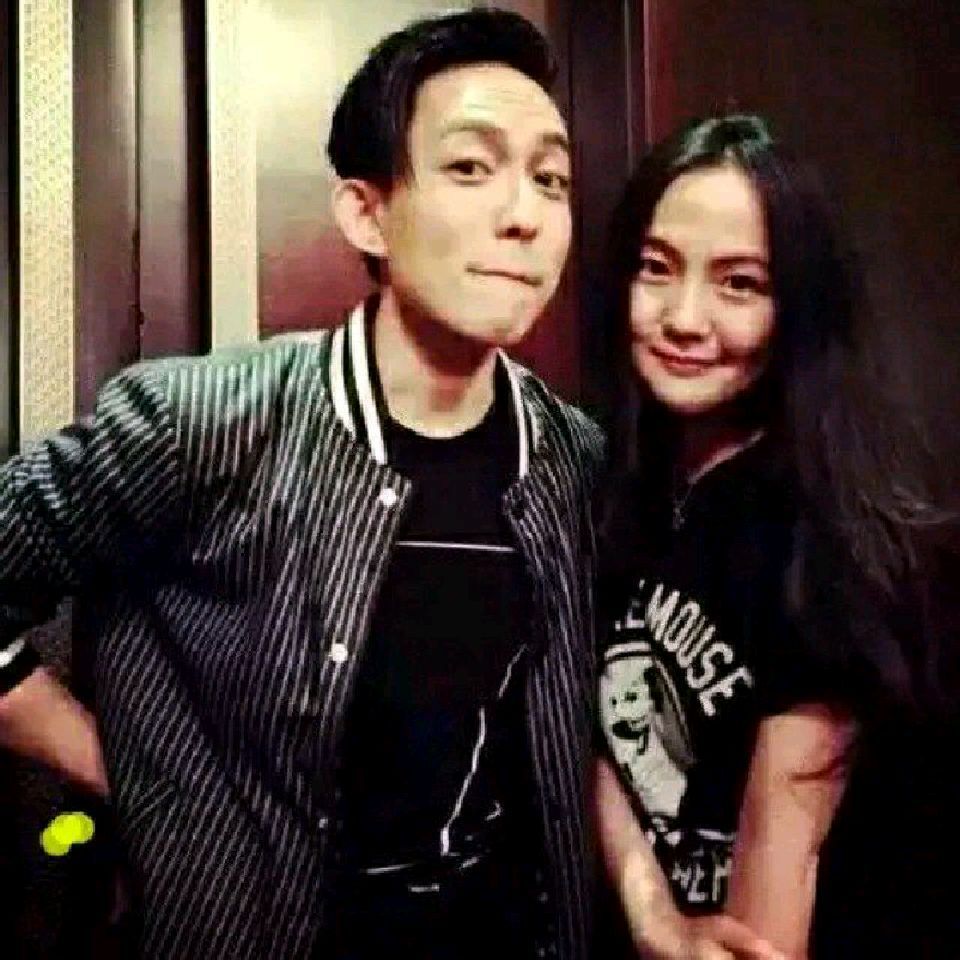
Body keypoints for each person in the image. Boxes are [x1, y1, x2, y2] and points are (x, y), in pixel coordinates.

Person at [0, 10, 604, 959]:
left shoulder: (572, 457)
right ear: (367, 212)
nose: (524, 214)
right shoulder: (202, 421)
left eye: (551, 178)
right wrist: (144, 781)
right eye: (470, 167)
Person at [592, 114, 954, 959]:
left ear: (798, 309)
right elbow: (589, 740)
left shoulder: (825, 538)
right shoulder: (620, 485)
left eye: (739, 284)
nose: (684, 317)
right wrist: (650, 909)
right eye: (657, 269)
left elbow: (763, 929)